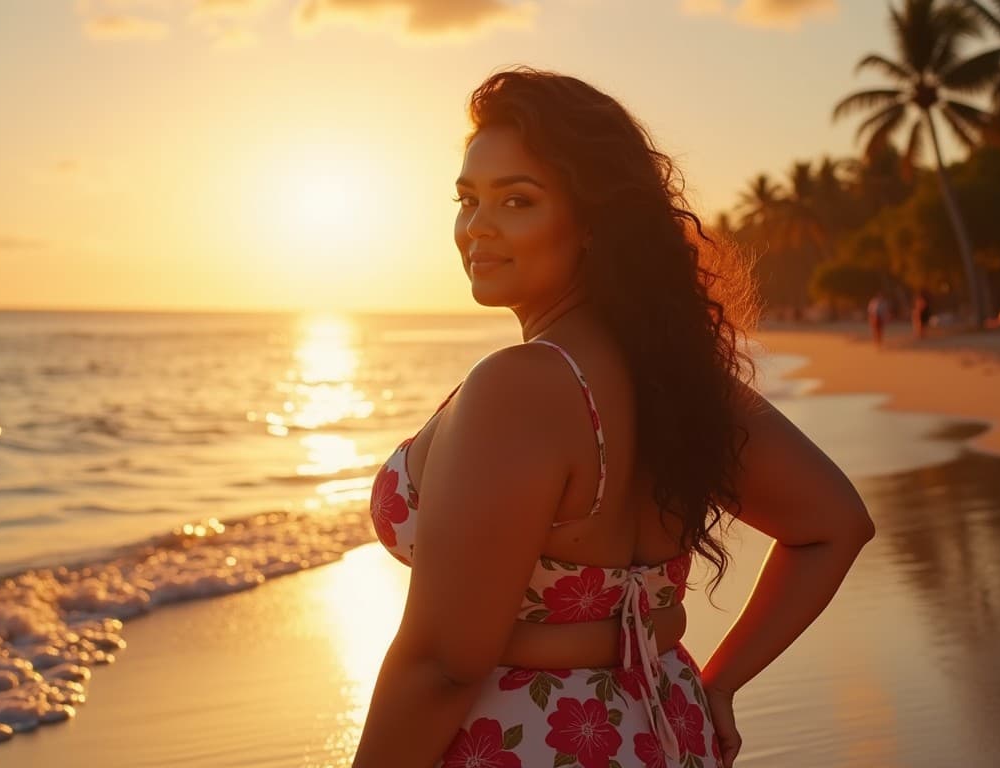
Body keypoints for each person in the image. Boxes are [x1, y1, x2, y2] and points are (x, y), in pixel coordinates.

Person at [353, 67, 875, 768]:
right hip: (665, 725)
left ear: (593, 221)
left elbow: (443, 664)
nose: (477, 228)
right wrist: (715, 685)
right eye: (467, 199)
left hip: (525, 745)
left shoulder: (521, 387)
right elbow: (834, 523)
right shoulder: (675, 379)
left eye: (517, 200)